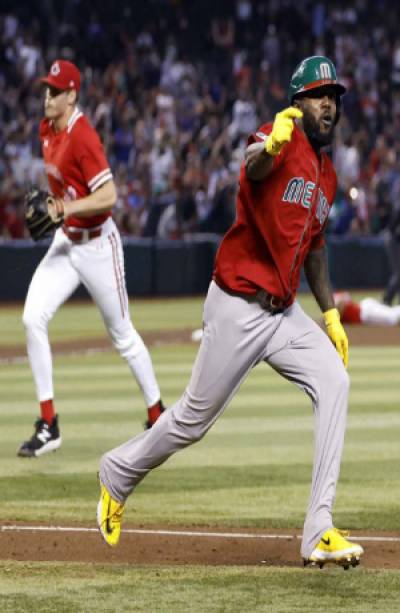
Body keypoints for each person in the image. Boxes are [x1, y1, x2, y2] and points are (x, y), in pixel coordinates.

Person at [97, 56, 364, 569]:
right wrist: (274, 143)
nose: (329, 103)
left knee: (335, 382)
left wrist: (329, 313)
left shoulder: (327, 174)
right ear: (297, 102)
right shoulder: (273, 136)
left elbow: (314, 247)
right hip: (238, 304)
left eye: (335, 96)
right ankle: (117, 473)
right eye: (318, 94)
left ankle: (318, 530)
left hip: (283, 315)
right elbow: (254, 164)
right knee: (192, 421)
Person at [18, 60, 165, 458]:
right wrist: (55, 208)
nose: (47, 96)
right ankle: (49, 424)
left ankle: (158, 415)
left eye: (54, 91)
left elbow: (109, 196)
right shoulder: (46, 130)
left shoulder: (83, 136)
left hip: (99, 244)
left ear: (72, 95)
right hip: (67, 243)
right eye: (46, 89)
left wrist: (65, 208)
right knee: (33, 317)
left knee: (123, 336)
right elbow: (62, 192)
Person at [334, 291, 400, 325]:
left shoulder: (333, 298)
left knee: (392, 317)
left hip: (365, 312)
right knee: (392, 313)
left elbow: (340, 304)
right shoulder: (334, 297)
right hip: (365, 308)